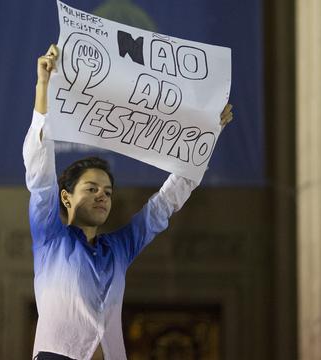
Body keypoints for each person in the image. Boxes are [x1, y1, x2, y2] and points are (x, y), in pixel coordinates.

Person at [24, 44, 233, 360]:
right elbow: (39, 170)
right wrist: (43, 86)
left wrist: (208, 134)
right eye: (91, 188)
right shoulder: (50, 237)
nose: (102, 196)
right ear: (65, 197)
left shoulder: (119, 249)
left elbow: (164, 204)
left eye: (107, 192)